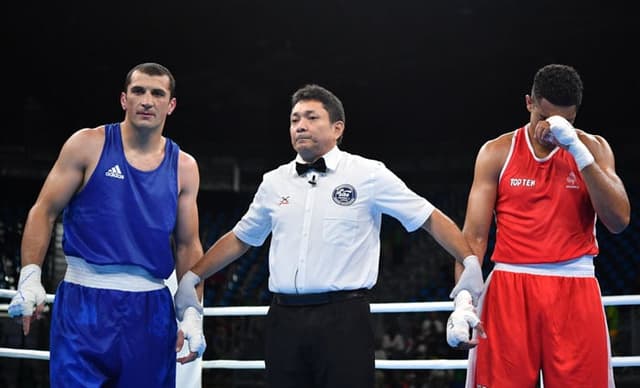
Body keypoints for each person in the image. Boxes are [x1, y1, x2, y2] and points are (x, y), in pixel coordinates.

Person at [174, 84, 485, 388]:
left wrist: (469, 260)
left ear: (337, 128)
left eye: (311, 117)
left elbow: (427, 216)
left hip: (344, 318)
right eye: (295, 119)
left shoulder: (368, 174)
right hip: (283, 317)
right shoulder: (274, 181)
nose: (300, 126)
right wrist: (192, 276)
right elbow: (241, 237)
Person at [8, 62, 207, 387]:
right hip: (84, 302)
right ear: (123, 99)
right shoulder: (87, 144)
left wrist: (193, 312)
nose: (147, 100)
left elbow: (188, 244)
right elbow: (43, 210)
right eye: (138, 91)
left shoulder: (185, 166)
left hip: (150, 310)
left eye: (157, 93)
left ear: (171, 105)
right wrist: (30, 276)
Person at [450, 63, 631, 387]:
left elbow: (618, 221)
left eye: (565, 121)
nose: (549, 130)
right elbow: (474, 236)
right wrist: (464, 300)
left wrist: (577, 151)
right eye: (544, 119)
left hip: (575, 285)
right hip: (510, 286)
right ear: (529, 103)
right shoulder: (497, 152)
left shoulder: (593, 148)